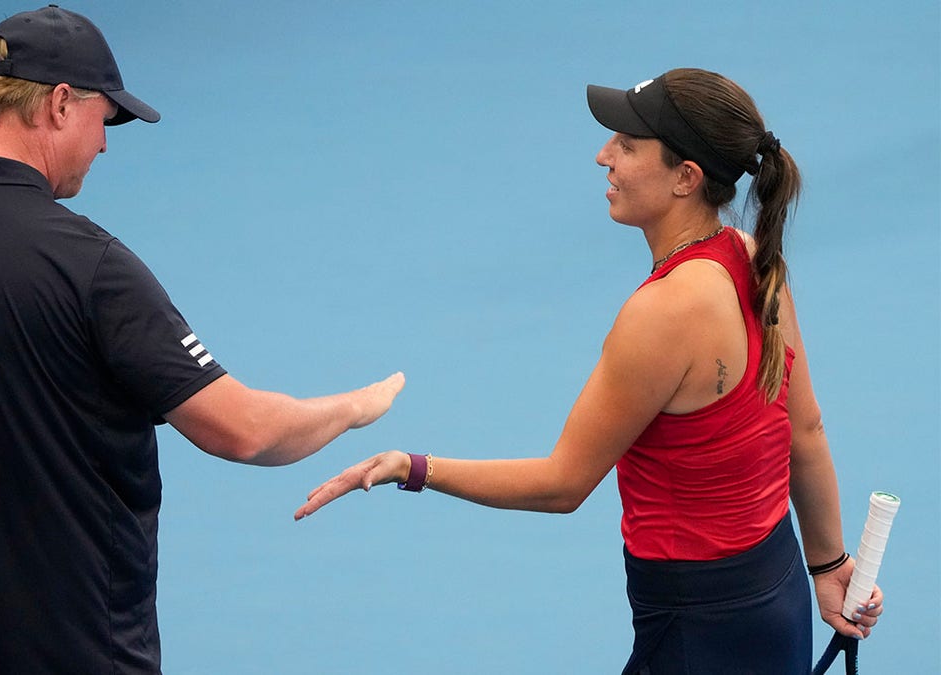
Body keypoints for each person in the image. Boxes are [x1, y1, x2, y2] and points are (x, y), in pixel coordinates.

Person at [0, 6, 404, 674]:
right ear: (61, 104)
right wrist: (357, 407)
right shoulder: (90, 266)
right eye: (107, 119)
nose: (105, 144)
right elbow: (243, 430)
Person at [295, 67, 883, 673]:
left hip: (695, 630)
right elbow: (805, 431)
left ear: (686, 178)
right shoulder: (756, 259)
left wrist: (413, 467)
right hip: (776, 591)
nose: (603, 156)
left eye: (627, 146)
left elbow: (562, 485)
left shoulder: (663, 310)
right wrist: (830, 565)